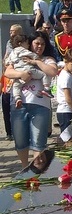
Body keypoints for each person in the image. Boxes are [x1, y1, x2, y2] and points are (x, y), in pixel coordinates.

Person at [5, 32, 58, 169]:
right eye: (37, 43)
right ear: (30, 44)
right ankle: (24, 168)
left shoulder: (47, 59)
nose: (39, 46)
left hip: (40, 105)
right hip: (19, 104)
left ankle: (37, 171)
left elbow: (52, 72)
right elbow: (7, 72)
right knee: (20, 140)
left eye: (42, 44)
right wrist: (21, 74)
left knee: (38, 142)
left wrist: (37, 62)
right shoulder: (20, 56)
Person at [6, 35, 51, 109]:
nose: (28, 45)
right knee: (43, 75)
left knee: (16, 86)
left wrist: (9, 63)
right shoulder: (23, 50)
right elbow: (32, 55)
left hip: (18, 71)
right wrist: (37, 59)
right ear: (20, 43)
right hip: (29, 70)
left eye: (43, 44)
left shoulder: (12, 52)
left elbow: (7, 62)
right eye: (26, 43)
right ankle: (46, 89)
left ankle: (17, 98)